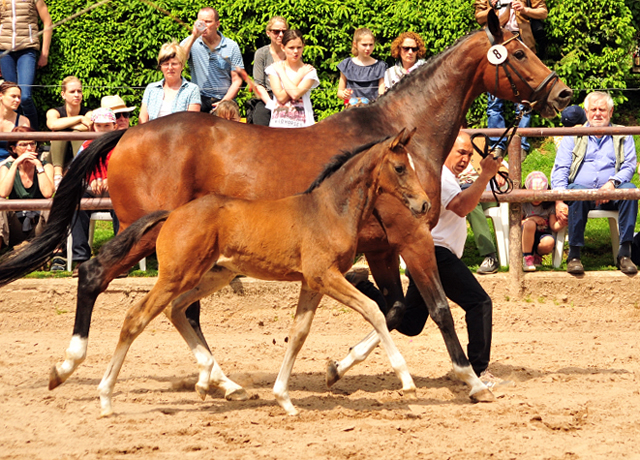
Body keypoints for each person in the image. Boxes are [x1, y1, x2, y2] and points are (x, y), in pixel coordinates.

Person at [352, 130, 503, 384]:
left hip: (431, 255)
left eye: (468, 154)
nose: (465, 159)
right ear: (447, 150)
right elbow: (463, 206)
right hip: (438, 254)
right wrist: (486, 175)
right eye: (460, 152)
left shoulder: (446, 176)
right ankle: (479, 371)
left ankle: (361, 285)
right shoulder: (441, 177)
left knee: (410, 323)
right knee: (479, 303)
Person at [551, 91, 638, 275]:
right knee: (577, 192)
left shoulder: (623, 135)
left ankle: (624, 253)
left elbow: (629, 166)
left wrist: (612, 184)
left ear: (611, 112)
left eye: (602, 110)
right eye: (593, 109)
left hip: (611, 191)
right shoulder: (573, 136)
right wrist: (559, 200)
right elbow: (561, 169)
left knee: (630, 191)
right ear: (586, 111)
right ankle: (574, 255)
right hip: (580, 192)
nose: (598, 114)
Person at [475, 0, 548, 156]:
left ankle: (520, 144)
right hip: (496, 44)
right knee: (494, 100)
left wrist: (525, 9)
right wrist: (493, 9)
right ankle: (497, 146)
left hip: (521, 43)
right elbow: (479, 17)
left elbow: (543, 12)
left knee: (523, 99)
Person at [64, 108, 119, 274]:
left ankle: (119, 259)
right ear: (93, 127)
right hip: (91, 187)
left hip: (115, 188)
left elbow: (127, 167)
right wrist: (92, 179)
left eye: (107, 126)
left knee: (121, 206)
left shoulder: (121, 144)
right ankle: (81, 259)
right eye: (99, 126)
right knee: (76, 205)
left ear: (114, 127)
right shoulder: (86, 145)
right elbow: (78, 168)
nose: (102, 130)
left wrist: (113, 178)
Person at [181, 7, 244, 113]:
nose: (203, 26)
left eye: (208, 22)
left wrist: (224, 102)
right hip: (198, 99)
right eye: (200, 22)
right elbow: (179, 60)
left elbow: (237, 80)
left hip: (225, 98)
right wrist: (193, 36)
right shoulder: (190, 42)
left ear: (217, 24)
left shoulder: (231, 46)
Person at [0, 0, 52, 130]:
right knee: (10, 99)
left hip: (27, 49)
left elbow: (48, 22)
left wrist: (44, 53)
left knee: (25, 97)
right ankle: (15, 139)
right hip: (5, 51)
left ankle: (33, 137)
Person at [0, 126, 53, 251]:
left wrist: (39, 166)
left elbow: (47, 194)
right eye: (23, 145)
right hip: (16, 225)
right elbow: (3, 192)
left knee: (50, 203)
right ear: (14, 148)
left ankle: (56, 253)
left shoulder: (46, 166)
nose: (29, 148)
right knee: (0, 203)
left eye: (32, 144)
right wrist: (15, 165)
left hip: (40, 225)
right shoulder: (6, 167)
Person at [265, 29, 318, 128]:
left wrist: (282, 73)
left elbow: (295, 94)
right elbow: (281, 97)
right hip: (278, 127)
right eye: (291, 47)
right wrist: (299, 75)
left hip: (304, 127)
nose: (295, 51)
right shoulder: (274, 69)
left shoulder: (309, 71)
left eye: (299, 47)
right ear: (283, 47)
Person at [139, 41, 201, 123]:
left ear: (182, 66)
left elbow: (191, 123)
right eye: (166, 64)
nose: (170, 68)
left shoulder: (192, 90)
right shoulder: (151, 89)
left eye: (174, 64)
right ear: (160, 66)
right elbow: (142, 120)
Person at [45, 76, 91, 186]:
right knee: (61, 134)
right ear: (63, 94)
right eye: (72, 91)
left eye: (79, 91)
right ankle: (57, 177)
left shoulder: (88, 112)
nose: (76, 95)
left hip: (79, 157)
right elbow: (52, 124)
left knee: (75, 134)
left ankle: (80, 173)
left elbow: (89, 126)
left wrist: (63, 125)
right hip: (56, 159)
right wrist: (79, 119)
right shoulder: (54, 112)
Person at [521, 171, 564, 271]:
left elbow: (553, 226)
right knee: (530, 224)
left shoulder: (549, 206)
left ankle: (537, 256)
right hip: (525, 236)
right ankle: (527, 257)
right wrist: (531, 219)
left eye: (540, 196)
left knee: (550, 241)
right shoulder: (524, 204)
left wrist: (562, 223)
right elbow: (516, 224)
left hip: (542, 235)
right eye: (533, 195)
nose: (536, 199)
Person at [251, 16, 289, 126]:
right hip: (268, 97)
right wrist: (271, 104)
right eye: (276, 32)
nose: (280, 35)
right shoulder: (261, 53)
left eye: (284, 31)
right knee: (260, 116)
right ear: (268, 33)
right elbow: (258, 84)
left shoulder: (293, 52)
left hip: (289, 95)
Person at [337, 28, 386, 106]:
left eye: (371, 45)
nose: (368, 48)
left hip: (372, 111)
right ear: (355, 44)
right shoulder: (347, 65)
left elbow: (381, 95)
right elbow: (339, 92)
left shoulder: (380, 66)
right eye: (364, 45)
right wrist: (344, 94)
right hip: (352, 111)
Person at [0, 81, 30, 163]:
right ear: (1, 96)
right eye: (13, 96)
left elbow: (25, 149)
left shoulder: (23, 121)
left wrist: (4, 163)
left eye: (19, 97)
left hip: (12, 162)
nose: (17, 100)